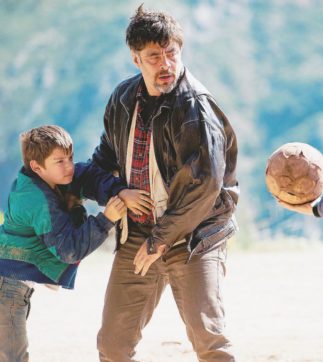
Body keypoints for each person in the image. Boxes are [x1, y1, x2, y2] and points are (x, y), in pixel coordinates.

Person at [93, 5, 239, 362]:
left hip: (195, 236)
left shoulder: (196, 108)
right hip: (139, 233)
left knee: (210, 344)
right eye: (154, 57)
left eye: (171, 53)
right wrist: (116, 191)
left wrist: (160, 241)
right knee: (112, 345)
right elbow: (103, 161)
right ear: (135, 58)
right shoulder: (123, 100)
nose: (165, 65)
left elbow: (204, 187)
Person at [0, 125, 152, 362]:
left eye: (70, 157)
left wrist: (121, 191)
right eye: (59, 161)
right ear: (37, 167)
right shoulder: (35, 199)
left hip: (13, 285)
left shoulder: (54, 176)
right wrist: (106, 219)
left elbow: (89, 175)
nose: (69, 165)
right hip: (5, 286)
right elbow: (68, 249)